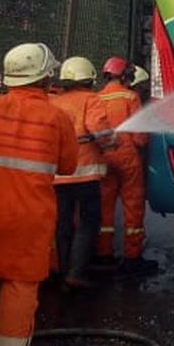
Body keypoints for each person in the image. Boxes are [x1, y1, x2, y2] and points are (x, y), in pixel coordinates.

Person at [0, 43, 77, 346]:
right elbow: (68, 167)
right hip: (30, 219)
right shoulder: (57, 117)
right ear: (46, 77)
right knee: (20, 289)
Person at [50, 56, 114, 289]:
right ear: (88, 78)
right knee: (88, 222)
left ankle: (62, 271)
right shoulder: (91, 99)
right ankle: (76, 273)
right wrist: (111, 143)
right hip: (86, 174)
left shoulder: (54, 102)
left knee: (62, 223)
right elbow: (99, 129)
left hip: (58, 175)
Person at [97, 56, 154, 275]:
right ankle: (132, 257)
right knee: (133, 206)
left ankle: (104, 254)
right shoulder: (131, 97)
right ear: (124, 75)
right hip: (128, 158)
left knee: (105, 206)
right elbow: (140, 138)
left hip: (104, 157)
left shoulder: (96, 98)